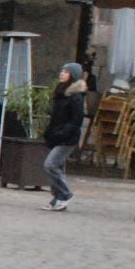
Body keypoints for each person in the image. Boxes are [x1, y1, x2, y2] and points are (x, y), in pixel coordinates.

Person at [41, 61, 88, 212]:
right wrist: (50, 133)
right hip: (57, 136)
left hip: (67, 139)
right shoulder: (61, 92)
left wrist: (61, 133)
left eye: (66, 72)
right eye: (62, 71)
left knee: (51, 165)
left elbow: (76, 121)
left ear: (72, 76)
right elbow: (56, 117)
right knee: (58, 167)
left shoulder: (76, 97)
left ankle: (65, 194)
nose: (62, 73)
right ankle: (58, 198)